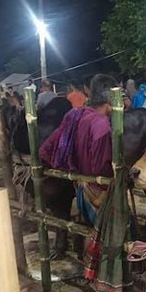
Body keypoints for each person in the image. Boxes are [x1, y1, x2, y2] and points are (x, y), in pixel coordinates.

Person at [40, 74, 118, 225]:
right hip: (98, 195)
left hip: (80, 190)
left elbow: (46, 150)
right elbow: (100, 167)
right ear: (111, 99)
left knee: (89, 234)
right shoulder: (101, 124)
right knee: (109, 239)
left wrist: (72, 172)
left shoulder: (74, 114)